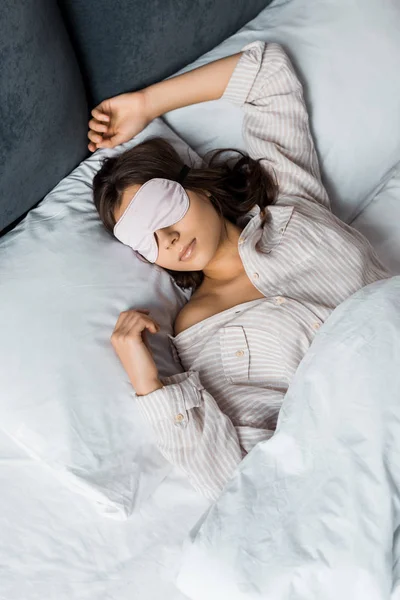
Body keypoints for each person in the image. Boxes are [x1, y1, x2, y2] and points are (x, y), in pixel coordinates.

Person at [89, 41, 390, 502]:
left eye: (163, 210)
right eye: (145, 238)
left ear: (198, 188)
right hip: (367, 466)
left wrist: (146, 104)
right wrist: (147, 383)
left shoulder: (289, 203)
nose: (166, 239)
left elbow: (267, 73)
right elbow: (236, 482)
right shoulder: (197, 327)